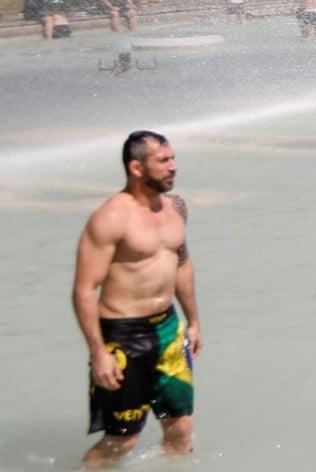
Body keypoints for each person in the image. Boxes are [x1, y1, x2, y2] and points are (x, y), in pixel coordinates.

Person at [72, 131, 200, 464]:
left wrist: (194, 321)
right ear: (137, 167)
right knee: (120, 443)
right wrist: (98, 353)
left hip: (169, 329)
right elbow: (85, 289)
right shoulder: (111, 218)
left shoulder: (175, 208)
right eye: (164, 161)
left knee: (181, 430)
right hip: (125, 336)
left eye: (173, 158)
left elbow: (182, 263)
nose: (174, 167)